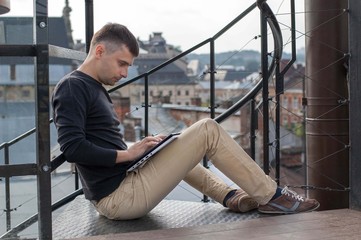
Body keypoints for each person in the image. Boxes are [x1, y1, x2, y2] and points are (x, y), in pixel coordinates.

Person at [51, 23, 320, 220]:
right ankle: (273, 197)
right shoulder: (72, 87)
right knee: (207, 129)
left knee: (171, 144)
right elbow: (73, 148)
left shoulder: (93, 86)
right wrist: (127, 154)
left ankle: (231, 197)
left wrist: (140, 151)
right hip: (118, 199)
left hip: (123, 186)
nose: (124, 73)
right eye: (122, 64)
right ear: (99, 51)